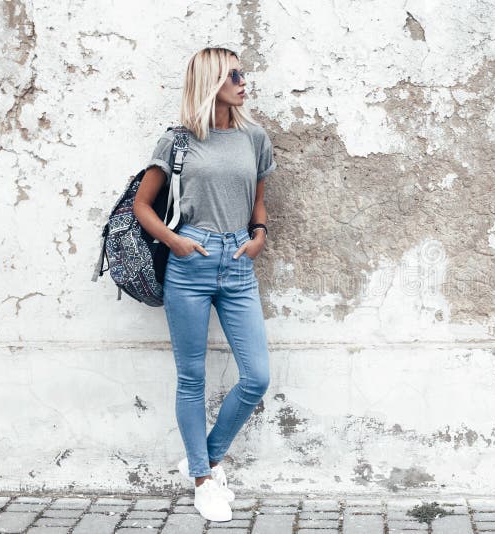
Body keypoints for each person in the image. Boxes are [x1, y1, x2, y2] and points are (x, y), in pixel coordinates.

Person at [133, 46, 277, 522]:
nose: (242, 80)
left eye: (242, 72)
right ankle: (202, 481)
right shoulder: (177, 142)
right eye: (233, 73)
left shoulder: (254, 137)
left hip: (238, 262)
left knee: (256, 375)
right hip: (190, 261)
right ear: (210, 81)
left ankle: (206, 460)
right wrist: (175, 242)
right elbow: (143, 206)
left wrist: (259, 237)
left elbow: (258, 200)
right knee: (192, 378)